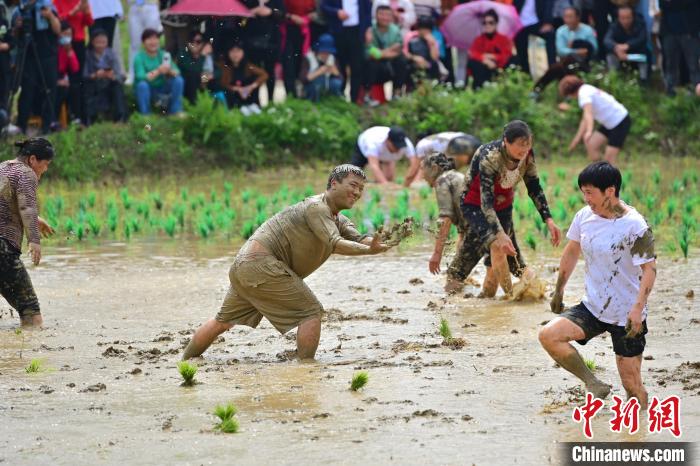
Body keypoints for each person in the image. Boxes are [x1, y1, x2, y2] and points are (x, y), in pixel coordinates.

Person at [182, 165, 391, 361]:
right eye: (353, 185)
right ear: (334, 183)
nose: (357, 192)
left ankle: (185, 361)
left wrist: (385, 241)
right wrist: (369, 250)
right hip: (261, 265)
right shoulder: (316, 208)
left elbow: (358, 239)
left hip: (246, 267)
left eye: (361, 189)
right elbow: (334, 243)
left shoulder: (337, 218)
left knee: (223, 321)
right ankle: (306, 370)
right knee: (310, 312)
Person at [539, 161, 656, 405]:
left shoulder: (635, 225)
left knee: (632, 387)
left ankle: (638, 434)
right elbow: (571, 252)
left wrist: (637, 309)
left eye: (590, 192)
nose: (586, 198)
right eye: (583, 192)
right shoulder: (584, 216)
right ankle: (593, 383)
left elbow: (649, 269)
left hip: (626, 314)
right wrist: (558, 290)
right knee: (549, 335)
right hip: (593, 307)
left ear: (610, 191)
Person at [455, 120, 561, 295]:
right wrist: (501, 234)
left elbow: (534, 187)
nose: (524, 149)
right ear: (506, 141)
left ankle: (498, 297)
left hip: (503, 204)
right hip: (475, 205)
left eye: (528, 144)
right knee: (498, 245)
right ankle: (511, 297)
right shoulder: (490, 156)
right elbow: (486, 203)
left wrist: (548, 220)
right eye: (520, 145)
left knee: (502, 259)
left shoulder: (527, 155)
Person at [422, 153, 527, 293]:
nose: (422, 175)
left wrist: (436, 254)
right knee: (517, 268)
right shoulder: (458, 177)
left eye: (422, 169)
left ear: (434, 168)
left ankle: (451, 309)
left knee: (455, 274)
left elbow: (445, 219)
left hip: (479, 224)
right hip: (500, 219)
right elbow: (462, 230)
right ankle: (532, 294)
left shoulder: (442, 181)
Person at [0, 138, 56, 328]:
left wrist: (36, 220)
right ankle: (28, 353)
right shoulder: (26, 173)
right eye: (45, 164)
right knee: (31, 313)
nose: (46, 169)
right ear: (33, 159)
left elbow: (6, 202)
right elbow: (27, 208)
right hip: (3, 249)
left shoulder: (3, 168)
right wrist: (34, 240)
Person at [12, 0, 61, 135]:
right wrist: (17, 26)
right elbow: (15, 36)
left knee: (50, 89)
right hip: (29, 56)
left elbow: (58, 30)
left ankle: (47, 125)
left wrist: (50, 17)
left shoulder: (47, 5)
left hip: (48, 54)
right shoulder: (21, 9)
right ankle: (21, 125)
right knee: (27, 90)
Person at [559, 75, 631, 165]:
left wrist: (589, 131)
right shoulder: (586, 89)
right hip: (608, 123)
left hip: (620, 121)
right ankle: (599, 170)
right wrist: (577, 139)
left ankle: (606, 173)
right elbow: (585, 118)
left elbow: (588, 114)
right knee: (591, 145)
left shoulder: (584, 94)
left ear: (570, 93)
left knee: (609, 160)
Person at [321, 0, 372, 103]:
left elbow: (368, 11)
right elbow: (324, 6)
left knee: (357, 67)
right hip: (339, 32)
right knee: (341, 65)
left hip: (357, 32)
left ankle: (354, 98)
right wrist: (337, 12)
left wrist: (368, 29)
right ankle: (340, 96)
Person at [54, 0, 93, 123]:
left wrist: (86, 12)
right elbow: (56, 21)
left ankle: (78, 116)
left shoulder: (80, 1)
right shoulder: (56, 2)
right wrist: (73, 12)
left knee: (78, 80)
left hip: (78, 42)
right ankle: (57, 118)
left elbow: (90, 22)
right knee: (63, 80)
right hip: (62, 42)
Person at [240, 0, 285, 102]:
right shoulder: (248, 2)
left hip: (271, 43)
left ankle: (270, 100)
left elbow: (283, 16)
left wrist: (270, 12)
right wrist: (252, 12)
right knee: (254, 72)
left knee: (270, 73)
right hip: (251, 44)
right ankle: (255, 101)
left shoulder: (276, 2)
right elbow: (240, 21)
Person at [133, 28, 184, 115]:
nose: (153, 42)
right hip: (148, 89)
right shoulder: (139, 57)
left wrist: (169, 71)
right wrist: (158, 71)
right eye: (149, 39)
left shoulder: (164, 54)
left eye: (155, 38)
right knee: (142, 85)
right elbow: (141, 77)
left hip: (162, 87)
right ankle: (145, 115)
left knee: (178, 80)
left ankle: (176, 110)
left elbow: (177, 72)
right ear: (143, 42)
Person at [83, 28, 126, 124]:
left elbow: (119, 75)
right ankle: (91, 119)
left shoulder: (111, 53)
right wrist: (95, 75)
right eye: (98, 42)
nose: (101, 45)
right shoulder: (87, 54)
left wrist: (111, 75)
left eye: (103, 42)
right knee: (88, 88)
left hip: (109, 83)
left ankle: (120, 118)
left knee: (117, 87)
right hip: (93, 83)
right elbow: (85, 75)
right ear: (92, 42)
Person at [349, 125, 418, 186]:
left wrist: (406, 182)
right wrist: (386, 185)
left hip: (385, 154)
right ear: (387, 140)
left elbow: (414, 164)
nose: (398, 149)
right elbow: (374, 166)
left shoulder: (407, 145)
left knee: (389, 178)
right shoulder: (373, 143)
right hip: (363, 147)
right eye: (395, 146)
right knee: (353, 174)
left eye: (400, 146)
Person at [405, 132, 481, 186]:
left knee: (447, 171)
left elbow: (415, 168)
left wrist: (406, 184)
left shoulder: (420, 145)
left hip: (459, 142)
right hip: (470, 140)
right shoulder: (430, 142)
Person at [659, 0, 700, 96]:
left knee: (693, 65)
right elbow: (662, 4)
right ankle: (670, 93)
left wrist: (672, 3)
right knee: (670, 65)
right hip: (669, 33)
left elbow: (686, 4)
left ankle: (696, 93)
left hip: (689, 33)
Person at [365, 5, 408, 98]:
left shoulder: (395, 30)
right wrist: (389, 50)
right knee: (370, 63)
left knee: (402, 60)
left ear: (392, 17)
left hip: (390, 64)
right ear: (376, 16)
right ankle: (368, 95)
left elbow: (398, 51)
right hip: (374, 64)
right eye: (381, 14)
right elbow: (370, 52)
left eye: (387, 15)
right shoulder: (369, 28)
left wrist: (381, 53)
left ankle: (396, 93)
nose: (384, 18)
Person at [467, 9, 514, 89]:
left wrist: (493, 56)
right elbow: (473, 54)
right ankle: (480, 90)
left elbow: (507, 55)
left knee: (514, 59)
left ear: (496, 23)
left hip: (499, 68)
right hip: (483, 70)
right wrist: (484, 59)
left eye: (491, 23)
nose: (487, 25)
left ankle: (508, 87)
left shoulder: (504, 39)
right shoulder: (478, 39)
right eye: (484, 23)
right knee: (473, 62)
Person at [220, 41, 268, 115]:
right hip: (234, 97)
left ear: (243, 52)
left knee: (253, 80)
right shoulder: (225, 67)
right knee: (227, 91)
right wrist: (238, 89)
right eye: (233, 51)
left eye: (238, 51)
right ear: (228, 53)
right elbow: (223, 84)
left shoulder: (247, 66)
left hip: (248, 95)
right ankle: (238, 108)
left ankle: (253, 106)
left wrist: (250, 87)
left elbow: (264, 75)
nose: (235, 54)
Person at [604, 6, 650, 82]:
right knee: (610, 55)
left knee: (645, 55)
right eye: (622, 18)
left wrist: (628, 46)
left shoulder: (640, 23)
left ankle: (643, 80)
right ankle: (614, 79)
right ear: (618, 18)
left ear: (633, 17)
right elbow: (607, 40)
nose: (625, 21)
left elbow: (642, 39)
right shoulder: (614, 26)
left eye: (628, 18)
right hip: (620, 54)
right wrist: (616, 48)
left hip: (636, 53)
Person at [281, 0, 316, 98]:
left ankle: (303, 94)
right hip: (288, 32)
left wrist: (308, 18)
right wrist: (290, 17)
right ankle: (291, 95)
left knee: (302, 64)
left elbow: (316, 10)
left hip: (306, 32)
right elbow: (278, 10)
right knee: (289, 66)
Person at [513, 0, 557, 75]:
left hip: (537, 23)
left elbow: (549, 5)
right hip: (519, 24)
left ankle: (553, 71)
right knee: (519, 45)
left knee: (550, 34)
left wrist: (547, 22)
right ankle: (525, 74)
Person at [299, 33, 343, 102]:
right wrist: (319, 71)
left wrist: (334, 71)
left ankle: (332, 102)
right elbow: (303, 79)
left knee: (336, 83)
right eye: (323, 52)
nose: (326, 55)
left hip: (327, 85)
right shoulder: (309, 58)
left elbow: (340, 78)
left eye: (328, 52)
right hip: (311, 87)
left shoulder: (332, 58)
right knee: (317, 84)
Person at [126, 0, 161, 84]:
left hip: (150, 5)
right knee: (134, 44)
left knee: (153, 41)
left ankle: (155, 73)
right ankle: (132, 74)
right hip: (134, 5)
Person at [177, 30, 214, 105]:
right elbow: (192, 69)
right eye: (192, 41)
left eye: (198, 41)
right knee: (193, 76)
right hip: (185, 87)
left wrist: (210, 76)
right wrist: (202, 56)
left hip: (202, 84)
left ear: (203, 43)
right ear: (188, 43)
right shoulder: (183, 53)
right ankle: (194, 106)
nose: (194, 44)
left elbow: (218, 71)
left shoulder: (206, 54)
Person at [54, 21, 79, 127]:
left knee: (75, 87)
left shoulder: (69, 49)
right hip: (52, 77)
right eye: (65, 34)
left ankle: (74, 117)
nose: (67, 37)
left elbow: (75, 68)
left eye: (69, 35)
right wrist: (58, 81)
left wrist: (70, 53)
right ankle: (54, 119)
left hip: (63, 78)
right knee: (61, 90)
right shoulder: (54, 48)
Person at [406, 16, 442, 82]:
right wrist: (415, 58)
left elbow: (434, 58)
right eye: (423, 28)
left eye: (428, 29)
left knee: (434, 65)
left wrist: (432, 44)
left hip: (428, 65)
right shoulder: (411, 36)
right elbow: (404, 53)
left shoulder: (433, 39)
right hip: (413, 63)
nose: (425, 31)